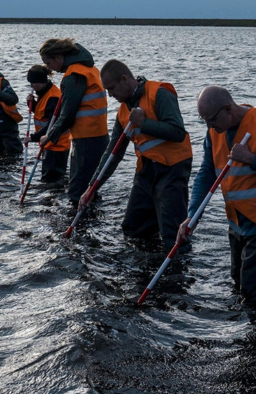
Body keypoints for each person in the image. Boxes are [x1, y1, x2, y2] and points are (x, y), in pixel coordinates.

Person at [177, 85, 256, 306]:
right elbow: (207, 173)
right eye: (204, 121)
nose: (209, 126)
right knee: (238, 284)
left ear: (228, 108)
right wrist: (193, 215)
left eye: (211, 120)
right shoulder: (215, 132)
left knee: (253, 295)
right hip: (237, 223)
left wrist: (252, 159)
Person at [82, 60, 192, 243]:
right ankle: (146, 259)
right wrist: (92, 187)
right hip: (145, 171)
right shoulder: (123, 112)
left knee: (172, 234)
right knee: (133, 228)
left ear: (124, 79)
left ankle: (176, 259)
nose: (110, 95)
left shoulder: (159, 93)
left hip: (172, 169)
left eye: (111, 88)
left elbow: (178, 132)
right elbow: (113, 153)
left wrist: (144, 123)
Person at [39, 38, 109, 203]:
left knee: (77, 190)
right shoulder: (90, 68)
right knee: (90, 187)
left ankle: (78, 217)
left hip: (86, 139)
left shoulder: (73, 76)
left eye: (48, 63)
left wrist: (49, 136)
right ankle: (92, 216)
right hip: (99, 135)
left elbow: (67, 115)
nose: (48, 68)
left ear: (58, 57)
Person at [28, 64, 70, 182]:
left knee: (51, 180)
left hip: (57, 145)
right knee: (53, 179)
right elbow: (42, 115)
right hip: (48, 144)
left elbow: (52, 124)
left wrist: (33, 138)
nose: (31, 86)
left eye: (33, 82)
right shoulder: (43, 93)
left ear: (41, 81)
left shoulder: (53, 97)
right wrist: (32, 104)